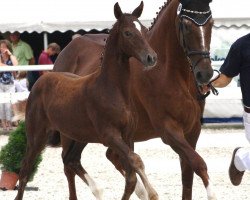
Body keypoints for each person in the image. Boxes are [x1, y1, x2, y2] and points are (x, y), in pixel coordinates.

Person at [208, 33, 250, 186]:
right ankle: (240, 157)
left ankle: (241, 158)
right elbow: (225, 77)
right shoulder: (242, 45)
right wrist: (208, 83)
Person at [0, 39, 18, 131]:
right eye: (1, 47)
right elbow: (0, 65)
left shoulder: (12, 57)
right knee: (1, 105)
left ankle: (10, 124)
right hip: (0, 84)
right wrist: (11, 68)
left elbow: (16, 65)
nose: (2, 48)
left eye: (4, 47)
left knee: (8, 105)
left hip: (10, 84)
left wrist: (10, 54)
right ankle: (3, 125)